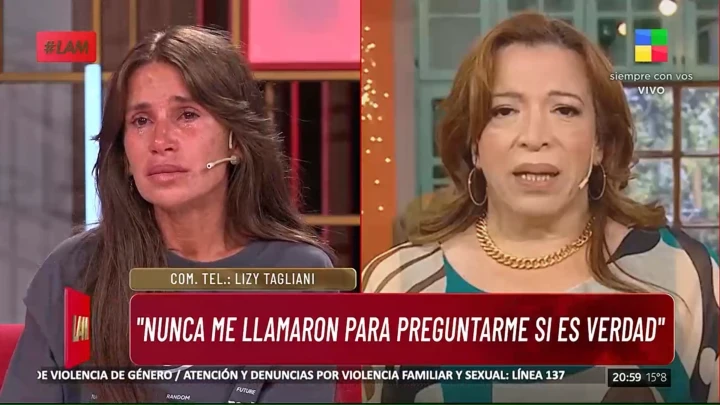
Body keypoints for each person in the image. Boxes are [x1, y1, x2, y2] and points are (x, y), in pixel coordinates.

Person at [361, 12, 718, 404]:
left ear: (600, 143)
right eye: (504, 111)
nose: (534, 137)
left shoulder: (686, 276)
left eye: (564, 110)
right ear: (474, 144)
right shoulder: (399, 283)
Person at [0, 26, 336, 403]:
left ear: (237, 142)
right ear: (124, 155)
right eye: (141, 121)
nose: (161, 142)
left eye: (187, 115)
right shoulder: (73, 271)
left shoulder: (297, 276)